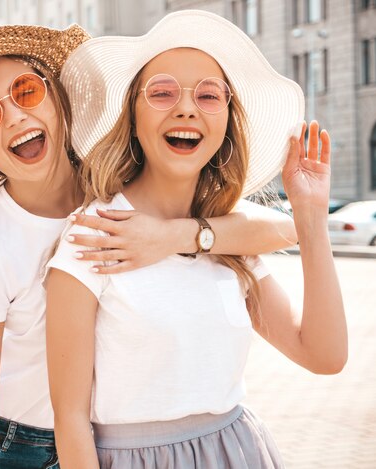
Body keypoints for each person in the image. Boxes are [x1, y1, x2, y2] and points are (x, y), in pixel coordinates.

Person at [0, 22, 298, 469]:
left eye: (27, 91)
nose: (13, 115)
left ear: (59, 101)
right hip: (1, 446)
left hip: (94, 443)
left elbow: (280, 229)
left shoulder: (111, 184)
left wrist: (176, 235)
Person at [46, 10, 347, 469]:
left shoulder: (227, 239)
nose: (186, 108)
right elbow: (69, 420)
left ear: (227, 121)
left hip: (236, 452)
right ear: (131, 115)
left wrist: (310, 216)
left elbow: (324, 355)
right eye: (162, 92)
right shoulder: (95, 235)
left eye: (209, 96)